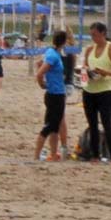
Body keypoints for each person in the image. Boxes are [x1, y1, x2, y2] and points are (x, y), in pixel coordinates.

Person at [81, 21, 111, 162]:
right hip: (89, 90)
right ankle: (95, 155)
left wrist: (105, 72)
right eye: (91, 35)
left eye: (95, 35)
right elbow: (84, 69)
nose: (93, 38)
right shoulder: (89, 49)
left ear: (103, 33)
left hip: (105, 90)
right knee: (92, 124)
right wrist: (85, 73)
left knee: (106, 123)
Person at [33, 30, 68, 162]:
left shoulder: (51, 52)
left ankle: (54, 154)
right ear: (64, 42)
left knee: (54, 127)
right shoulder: (53, 56)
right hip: (55, 95)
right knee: (50, 126)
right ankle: (36, 154)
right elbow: (40, 73)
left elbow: (38, 64)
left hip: (55, 93)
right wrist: (43, 84)